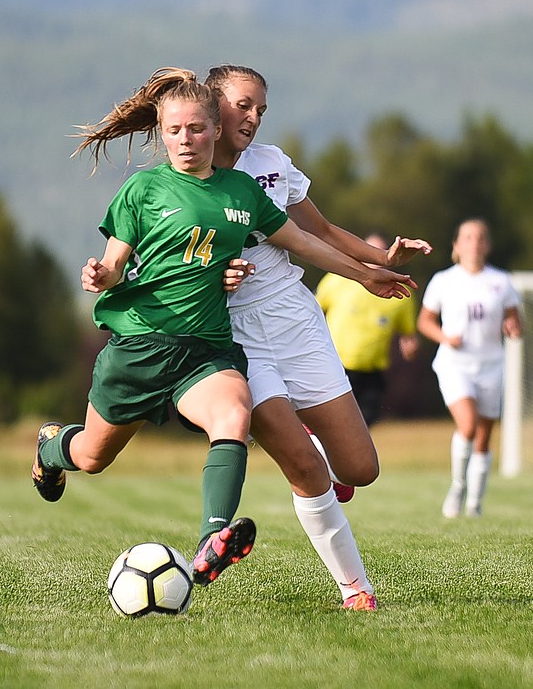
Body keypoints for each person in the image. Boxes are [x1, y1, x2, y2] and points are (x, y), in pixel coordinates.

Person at [30, 67, 416, 589]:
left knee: (248, 421)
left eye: (260, 109)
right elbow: (120, 262)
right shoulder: (144, 188)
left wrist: (371, 272)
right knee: (92, 457)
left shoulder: (250, 184)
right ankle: (52, 448)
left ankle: (212, 539)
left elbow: (308, 238)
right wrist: (104, 273)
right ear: (182, 126)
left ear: (210, 128)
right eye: (175, 131)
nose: (252, 118)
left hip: (215, 346)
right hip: (150, 343)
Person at [205, 64, 431, 611]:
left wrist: (381, 259)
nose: (254, 117)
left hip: (296, 321)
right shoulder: (181, 177)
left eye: (261, 108)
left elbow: (321, 234)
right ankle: (355, 587)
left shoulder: (271, 165)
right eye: (243, 104)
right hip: (236, 337)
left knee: (360, 469)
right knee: (304, 464)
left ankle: (325, 469)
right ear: (211, 107)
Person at [418, 219, 522, 518]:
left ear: (487, 245)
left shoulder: (501, 281)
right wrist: (445, 338)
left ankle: (475, 502)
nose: (474, 242)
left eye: (480, 237)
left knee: (484, 437)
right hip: (455, 364)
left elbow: (515, 323)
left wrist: (513, 327)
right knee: (468, 425)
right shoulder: (444, 280)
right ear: (457, 245)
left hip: (491, 365)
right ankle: (458, 487)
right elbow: (425, 321)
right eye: (468, 237)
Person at [315, 232, 421, 427]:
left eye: (380, 253)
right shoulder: (338, 279)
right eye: (370, 252)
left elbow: (408, 335)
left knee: (360, 427)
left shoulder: (398, 292)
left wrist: (410, 347)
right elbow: (314, 309)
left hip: (373, 373)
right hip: (338, 367)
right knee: (335, 426)